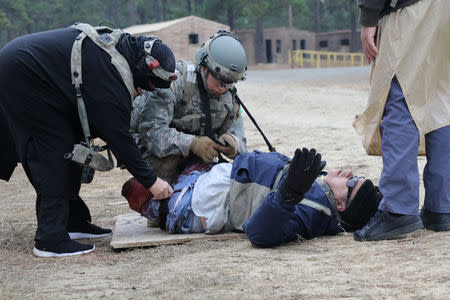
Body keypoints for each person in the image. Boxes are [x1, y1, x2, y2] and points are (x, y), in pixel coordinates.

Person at [0, 22, 177, 257]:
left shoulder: (118, 56)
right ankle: (50, 240)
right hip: (23, 73)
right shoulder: (111, 74)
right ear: (143, 69)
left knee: (73, 146)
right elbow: (118, 136)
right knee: (55, 152)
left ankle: (74, 222)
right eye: (150, 84)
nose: (145, 90)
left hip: (41, 78)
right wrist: (151, 181)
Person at [122, 148, 382, 248]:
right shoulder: (314, 183)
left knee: (133, 186)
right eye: (354, 174)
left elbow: (259, 233)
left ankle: (158, 212)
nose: (347, 172)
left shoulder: (311, 213)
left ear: (340, 204)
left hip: (192, 204)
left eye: (350, 182)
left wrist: (288, 195)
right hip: (209, 178)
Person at [353, 0, 450, 241]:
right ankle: (442, 207)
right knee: (441, 100)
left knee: (401, 95)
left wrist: (368, 18)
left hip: (411, 9)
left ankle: (398, 209)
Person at [130, 30, 248, 185]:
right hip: (157, 155)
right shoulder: (176, 81)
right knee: (168, 163)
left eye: (230, 82)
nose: (224, 87)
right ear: (204, 67)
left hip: (196, 159)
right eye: (220, 79)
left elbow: (240, 140)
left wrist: (233, 144)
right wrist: (192, 144)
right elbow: (151, 132)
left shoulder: (229, 97)